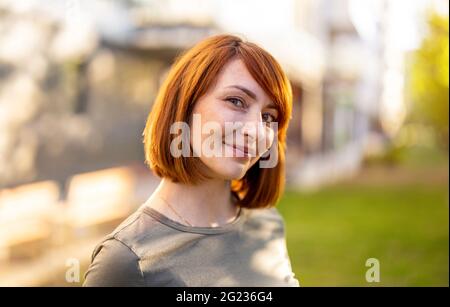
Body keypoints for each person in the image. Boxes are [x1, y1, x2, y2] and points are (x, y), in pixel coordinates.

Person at [83, 34, 300, 287]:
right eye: (236, 101)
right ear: (185, 104)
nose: (256, 130)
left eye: (267, 116)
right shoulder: (127, 261)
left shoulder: (267, 225)